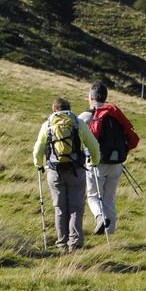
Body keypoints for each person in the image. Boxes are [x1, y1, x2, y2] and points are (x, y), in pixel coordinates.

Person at [33, 97, 100, 252]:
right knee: (76, 207)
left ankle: (62, 243)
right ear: (69, 109)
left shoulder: (48, 124)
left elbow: (38, 149)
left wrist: (38, 164)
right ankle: (75, 243)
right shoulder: (78, 123)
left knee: (60, 207)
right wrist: (95, 161)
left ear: (54, 110)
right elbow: (94, 146)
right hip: (76, 170)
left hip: (54, 171)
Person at [79, 82, 140, 234]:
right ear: (105, 97)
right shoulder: (114, 114)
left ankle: (100, 218)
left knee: (93, 197)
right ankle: (110, 233)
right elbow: (131, 138)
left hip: (97, 162)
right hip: (117, 163)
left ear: (90, 97)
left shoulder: (87, 116)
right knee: (109, 199)